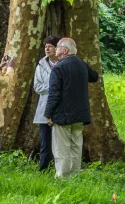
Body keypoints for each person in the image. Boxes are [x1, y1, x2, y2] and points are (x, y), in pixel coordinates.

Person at [44, 37, 98, 179]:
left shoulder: (58, 68)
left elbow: (54, 94)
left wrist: (48, 114)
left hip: (63, 115)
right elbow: (95, 77)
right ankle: (74, 176)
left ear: (65, 50)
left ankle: (62, 177)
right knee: (76, 146)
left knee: (61, 149)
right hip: (80, 115)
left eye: (59, 47)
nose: (56, 49)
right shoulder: (82, 64)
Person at [31, 35, 61, 171]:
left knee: (60, 142)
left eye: (50, 46)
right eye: (46, 46)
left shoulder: (63, 64)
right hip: (44, 108)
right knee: (45, 142)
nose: (47, 49)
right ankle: (43, 169)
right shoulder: (41, 65)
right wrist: (54, 87)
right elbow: (37, 87)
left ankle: (59, 168)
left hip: (60, 108)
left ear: (57, 48)